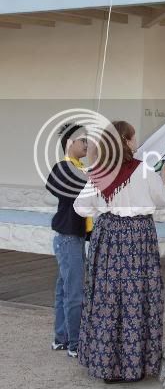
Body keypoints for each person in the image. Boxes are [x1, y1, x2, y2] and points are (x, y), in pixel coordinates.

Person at [74, 120, 165, 383]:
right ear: (127, 142)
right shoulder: (143, 171)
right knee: (137, 298)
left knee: (107, 298)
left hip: (108, 238)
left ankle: (106, 364)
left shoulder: (99, 172)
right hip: (138, 239)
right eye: (133, 138)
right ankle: (134, 365)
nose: (136, 142)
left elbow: (81, 208)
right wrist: (164, 177)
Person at [46, 123, 92, 358]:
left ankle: (62, 338)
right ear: (70, 143)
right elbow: (69, 190)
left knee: (65, 290)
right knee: (74, 292)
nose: (87, 144)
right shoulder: (64, 168)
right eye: (83, 140)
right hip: (68, 239)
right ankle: (75, 343)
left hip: (73, 238)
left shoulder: (80, 168)